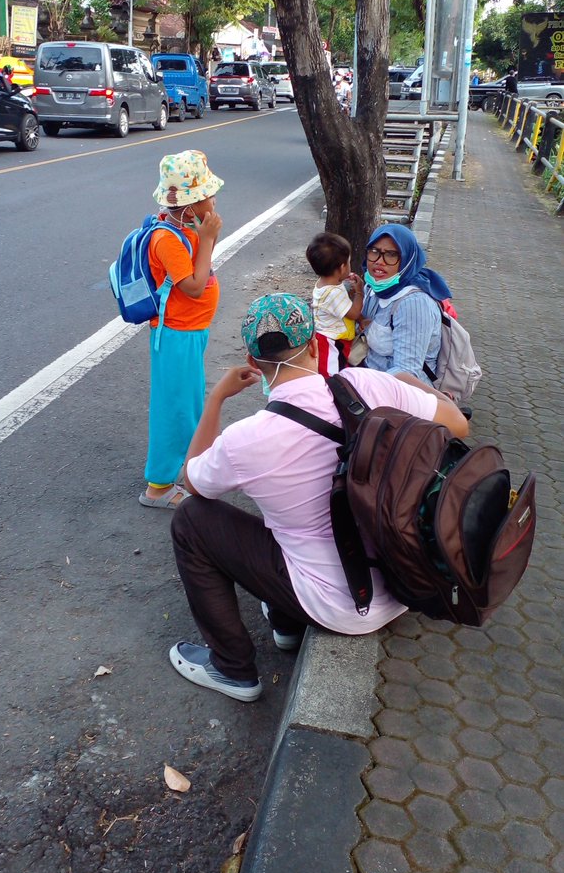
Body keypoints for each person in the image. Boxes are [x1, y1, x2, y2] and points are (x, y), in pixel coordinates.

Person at [168, 293, 468, 701]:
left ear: (254, 364)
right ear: (314, 345)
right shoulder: (365, 384)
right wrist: (408, 384)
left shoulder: (246, 439)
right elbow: (457, 427)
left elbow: (192, 480)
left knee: (192, 521)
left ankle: (232, 668)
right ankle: (286, 625)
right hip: (403, 583)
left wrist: (216, 398)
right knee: (291, 517)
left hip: (338, 608)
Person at [140, 150, 223, 509]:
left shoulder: (183, 229)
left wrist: (203, 238)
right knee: (175, 407)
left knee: (187, 401)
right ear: (189, 206)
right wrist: (206, 240)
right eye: (208, 195)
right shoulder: (168, 239)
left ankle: (180, 469)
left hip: (189, 331)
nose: (214, 200)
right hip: (175, 334)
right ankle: (158, 487)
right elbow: (192, 285)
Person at [361, 224, 451, 382]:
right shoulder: (375, 287)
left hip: (399, 392)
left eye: (391, 254)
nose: (379, 261)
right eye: (374, 251)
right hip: (369, 374)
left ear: (406, 259)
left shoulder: (414, 304)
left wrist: (363, 386)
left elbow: (407, 372)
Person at [306, 231, 364, 375]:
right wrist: (359, 292)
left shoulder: (325, 283)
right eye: (349, 262)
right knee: (331, 374)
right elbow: (354, 313)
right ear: (343, 267)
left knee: (340, 366)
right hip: (330, 341)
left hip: (333, 337)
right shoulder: (333, 294)